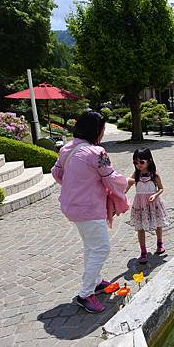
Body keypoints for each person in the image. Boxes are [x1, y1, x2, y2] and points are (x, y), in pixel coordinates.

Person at [51, 111, 129, 314]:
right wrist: (127, 182)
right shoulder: (97, 153)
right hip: (89, 208)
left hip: (71, 205)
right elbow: (111, 178)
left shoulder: (67, 148)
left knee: (90, 245)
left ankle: (94, 282)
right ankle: (85, 294)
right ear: (97, 131)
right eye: (102, 129)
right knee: (101, 248)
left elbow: (57, 173)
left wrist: (75, 186)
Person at [126, 148, 169, 264]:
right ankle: (143, 251)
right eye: (135, 162)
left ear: (149, 161)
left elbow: (161, 188)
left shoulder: (154, 175)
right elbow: (127, 186)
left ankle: (159, 242)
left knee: (157, 223)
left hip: (153, 203)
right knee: (140, 227)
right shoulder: (136, 174)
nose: (138, 165)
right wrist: (120, 195)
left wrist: (155, 195)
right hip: (140, 204)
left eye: (141, 162)